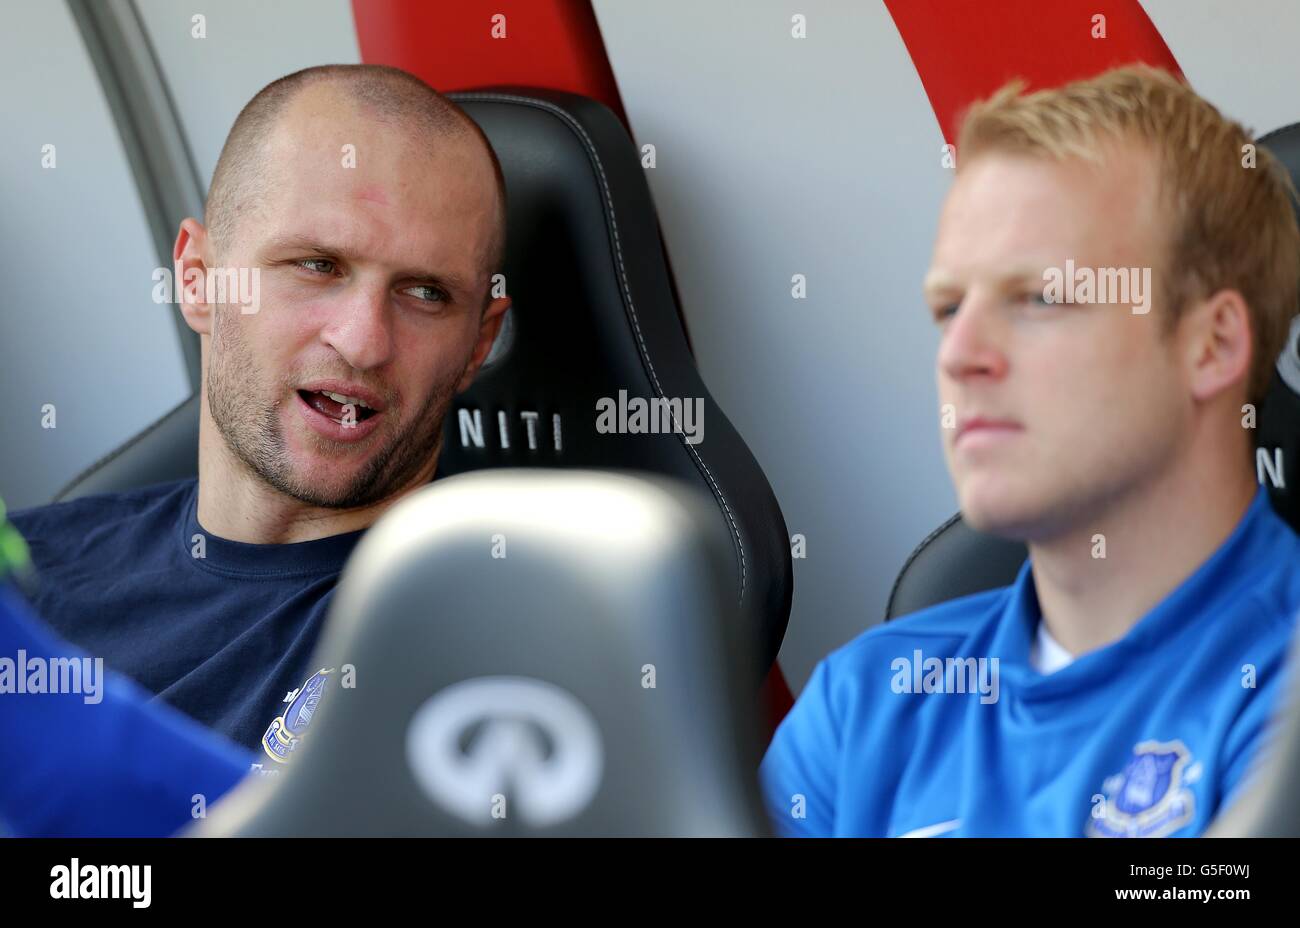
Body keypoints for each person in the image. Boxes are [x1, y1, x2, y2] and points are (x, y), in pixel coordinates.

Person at [760, 65, 1300, 837]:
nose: (960, 354)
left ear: (1211, 345)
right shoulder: (861, 705)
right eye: (949, 307)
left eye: (1041, 297)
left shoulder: (1282, 701)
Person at [10, 64, 510, 758]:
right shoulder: (27, 572)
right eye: (318, 265)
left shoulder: (494, 647)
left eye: (426, 293)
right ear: (199, 280)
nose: (364, 342)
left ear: (478, 344)